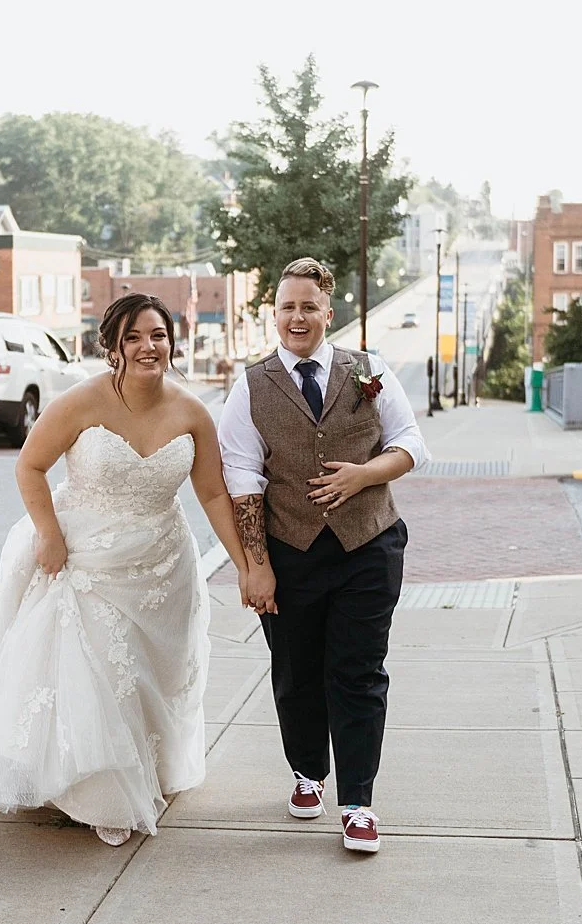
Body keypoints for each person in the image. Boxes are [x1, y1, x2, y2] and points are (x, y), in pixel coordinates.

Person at [0, 293, 254, 847]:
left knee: (146, 678)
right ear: (111, 345)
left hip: (164, 566)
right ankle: (95, 790)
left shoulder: (192, 412)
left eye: (157, 335)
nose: (147, 347)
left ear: (172, 342)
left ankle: (141, 771)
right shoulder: (79, 402)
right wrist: (49, 533)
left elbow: (211, 494)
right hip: (85, 559)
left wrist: (247, 567)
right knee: (96, 674)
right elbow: (31, 465)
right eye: (133, 337)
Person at [219, 258, 427, 854]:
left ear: (328, 313)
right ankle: (308, 773)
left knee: (359, 673)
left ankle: (358, 803)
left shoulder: (369, 370)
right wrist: (255, 564)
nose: (298, 316)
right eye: (287, 306)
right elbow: (241, 473)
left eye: (309, 306)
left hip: (369, 545)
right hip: (291, 552)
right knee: (296, 671)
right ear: (275, 315)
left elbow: (411, 442)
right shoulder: (252, 386)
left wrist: (365, 474)